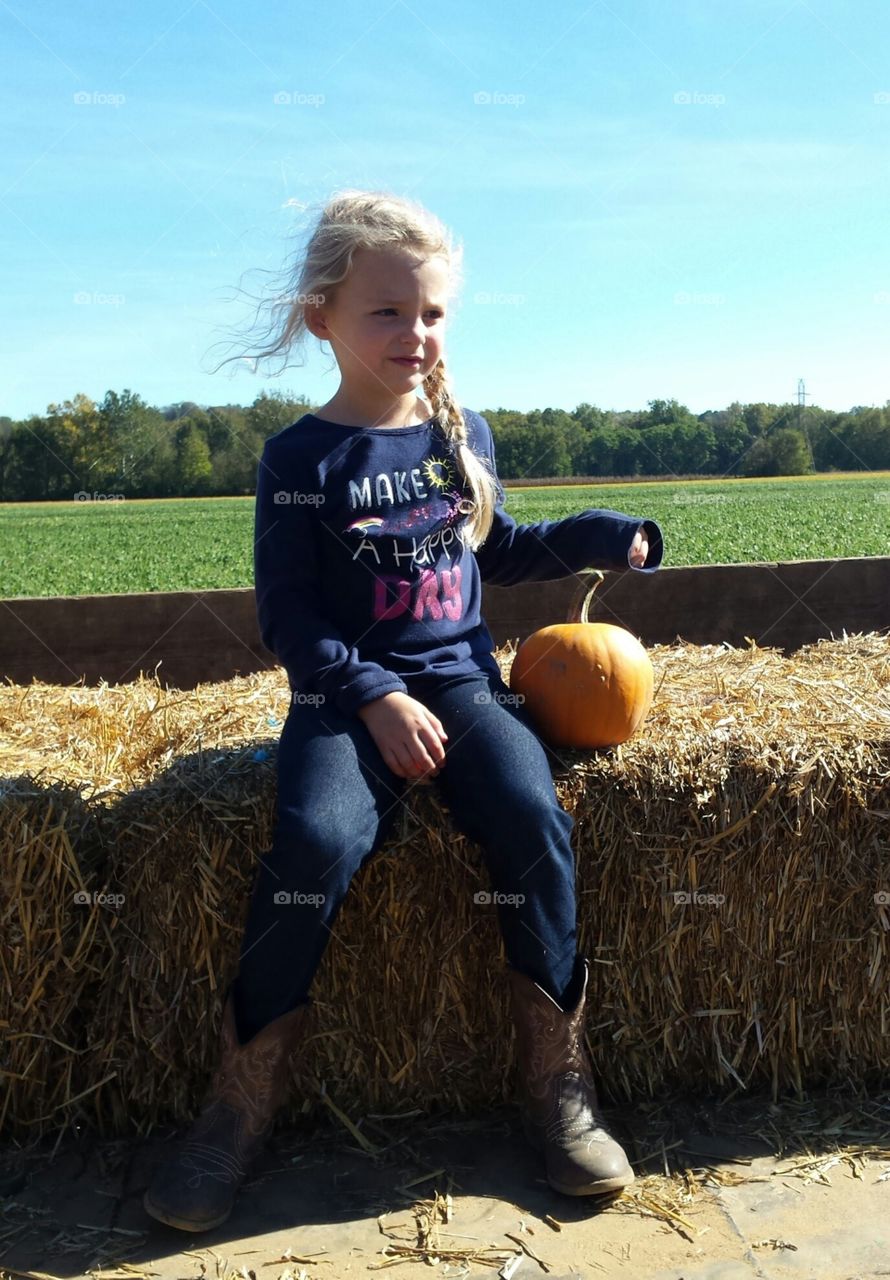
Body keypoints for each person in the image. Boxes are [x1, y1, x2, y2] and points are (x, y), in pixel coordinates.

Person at [143, 189, 664, 1233]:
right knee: (314, 839)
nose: (413, 334)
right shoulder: (300, 459)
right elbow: (286, 615)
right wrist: (370, 691)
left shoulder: (455, 430)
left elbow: (494, 547)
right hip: (341, 698)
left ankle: (557, 1084)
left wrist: (600, 535)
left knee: (532, 819)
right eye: (387, 312)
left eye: (429, 314)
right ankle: (236, 1106)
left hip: (464, 688)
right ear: (321, 318)